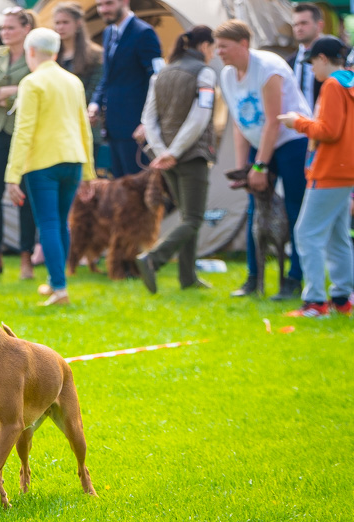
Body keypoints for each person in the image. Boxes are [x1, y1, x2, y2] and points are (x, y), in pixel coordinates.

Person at [215, 20, 311, 300]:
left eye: (224, 46)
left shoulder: (269, 68)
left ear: (243, 44)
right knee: (254, 208)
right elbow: (239, 123)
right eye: (217, 46)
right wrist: (245, 168)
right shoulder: (228, 75)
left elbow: (273, 121)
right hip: (261, 142)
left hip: (291, 141)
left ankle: (294, 279)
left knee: (294, 208)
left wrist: (261, 165)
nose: (219, 52)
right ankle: (253, 279)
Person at [4, 28, 95, 306]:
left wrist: (12, 174)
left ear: (30, 52)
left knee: (49, 224)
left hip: (43, 163)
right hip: (74, 160)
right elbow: (84, 127)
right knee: (61, 222)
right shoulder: (73, 81)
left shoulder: (31, 82)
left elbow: (24, 131)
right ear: (55, 52)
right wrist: (89, 172)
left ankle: (59, 287)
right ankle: (59, 280)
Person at [135, 26, 217, 293]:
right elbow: (200, 118)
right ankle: (153, 259)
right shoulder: (204, 73)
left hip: (167, 157)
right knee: (193, 218)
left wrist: (162, 151)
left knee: (185, 217)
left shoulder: (161, 73)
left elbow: (148, 118)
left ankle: (188, 277)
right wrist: (175, 151)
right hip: (190, 156)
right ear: (205, 46)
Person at [278, 36, 354, 317]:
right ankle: (342, 299)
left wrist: (296, 121)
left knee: (306, 233)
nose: (312, 70)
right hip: (346, 171)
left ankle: (315, 303)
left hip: (329, 170)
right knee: (338, 237)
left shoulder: (333, 85)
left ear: (323, 58)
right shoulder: (349, 82)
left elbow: (329, 130)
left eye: (313, 64)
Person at [0, 7, 36, 280]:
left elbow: (32, 93)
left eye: (11, 28)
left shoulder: (34, 56)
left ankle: (26, 256)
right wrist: (10, 92)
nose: (5, 33)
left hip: (22, 133)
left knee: (23, 196)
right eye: (3, 28)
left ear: (26, 29)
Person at [89, 0, 161, 178]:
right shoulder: (108, 32)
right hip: (114, 128)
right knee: (121, 191)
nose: (103, 10)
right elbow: (109, 77)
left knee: (138, 193)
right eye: (100, 5)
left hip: (137, 130)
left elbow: (157, 80)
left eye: (109, 4)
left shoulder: (144, 33)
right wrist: (95, 103)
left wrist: (147, 122)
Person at [53, 1, 104, 162]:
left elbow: (94, 90)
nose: (60, 27)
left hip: (83, 127)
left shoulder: (95, 54)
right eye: (57, 23)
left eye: (65, 22)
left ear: (78, 24)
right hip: (55, 129)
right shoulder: (51, 54)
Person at [288, 3, 325, 112]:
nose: (299, 28)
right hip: (297, 124)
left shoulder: (333, 57)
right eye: (295, 24)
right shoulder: (290, 62)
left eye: (304, 23)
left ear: (319, 25)